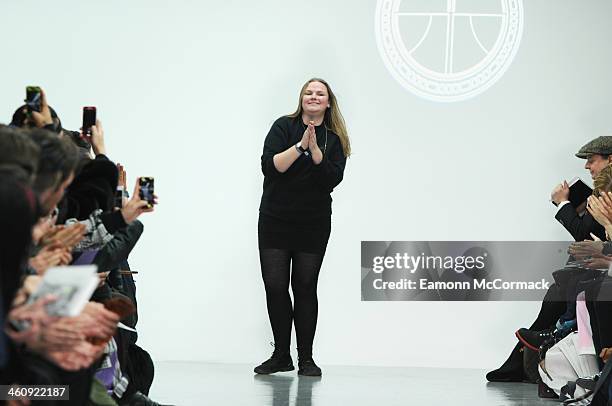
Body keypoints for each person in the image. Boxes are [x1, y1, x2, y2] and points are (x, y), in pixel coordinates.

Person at [255, 78, 350, 377]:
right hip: (275, 218)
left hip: (313, 223)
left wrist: (318, 155)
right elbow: (271, 166)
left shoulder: (335, 139)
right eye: (309, 92)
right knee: (275, 286)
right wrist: (300, 147)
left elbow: (331, 179)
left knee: (305, 287)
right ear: (301, 98)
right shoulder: (283, 127)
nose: (313, 96)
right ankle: (281, 354)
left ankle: (306, 358)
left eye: (320, 93)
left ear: (328, 102)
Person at [551, 136, 612, 241]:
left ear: (610, 159)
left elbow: (586, 236)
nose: (586, 166)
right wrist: (584, 211)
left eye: (591, 161)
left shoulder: (607, 189)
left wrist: (562, 203)